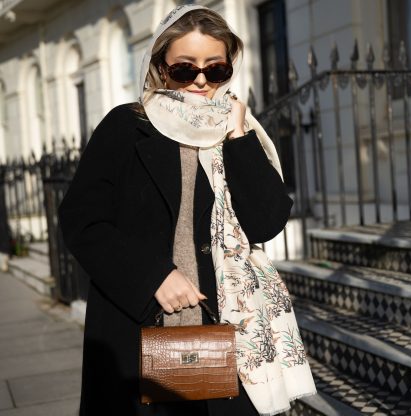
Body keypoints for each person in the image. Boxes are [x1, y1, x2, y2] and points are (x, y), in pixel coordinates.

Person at [58, 4, 316, 416]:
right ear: (162, 67)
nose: (200, 80)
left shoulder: (241, 132)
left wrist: (237, 135)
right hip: (143, 329)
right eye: (185, 68)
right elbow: (81, 220)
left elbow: (266, 223)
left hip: (234, 336)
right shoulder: (127, 126)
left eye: (215, 69)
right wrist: (152, 276)